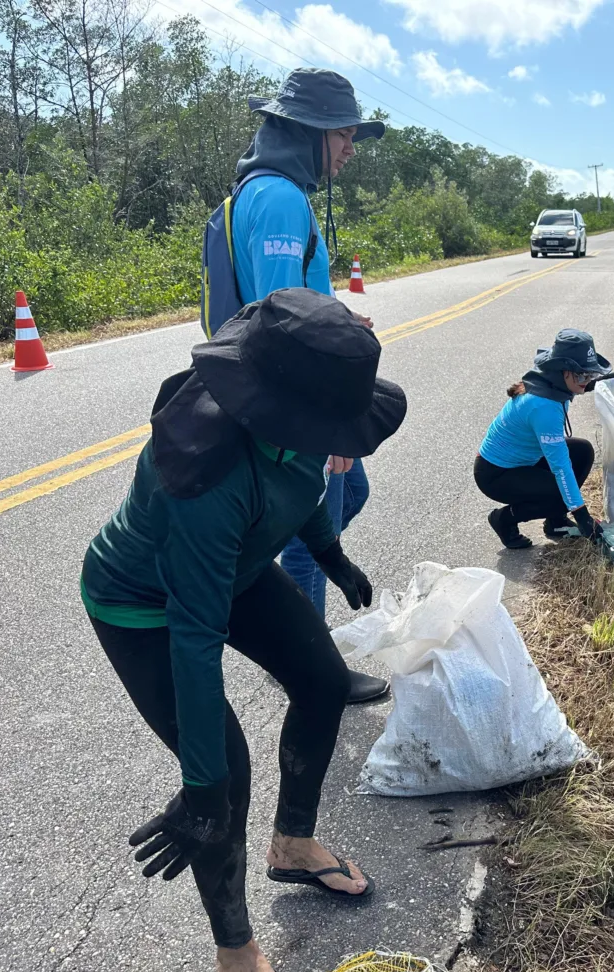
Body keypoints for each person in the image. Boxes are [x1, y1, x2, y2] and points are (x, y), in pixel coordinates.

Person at [80, 289, 406, 972]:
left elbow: (296, 487)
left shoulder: (294, 415)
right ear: (283, 409)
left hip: (238, 566)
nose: (342, 440)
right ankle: (235, 956)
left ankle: (292, 845)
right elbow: (194, 642)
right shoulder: (207, 480)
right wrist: (202, 791)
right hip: (146, 603)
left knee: (322, 681)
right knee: (224, 771)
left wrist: (330, 553)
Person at [230, 66, 387, 703]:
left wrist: (340, 316)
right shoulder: (279, 199)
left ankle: (293, 639)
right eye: (343, 134)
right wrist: (325, 425)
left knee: (342, 501)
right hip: (293, 402)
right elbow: (280, 322)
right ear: (309, 132)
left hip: (290, 393)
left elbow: (292, 303)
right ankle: (310, 666)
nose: (350, 147)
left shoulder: (272, 190)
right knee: (309, 526)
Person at [475, 330, 614, 549]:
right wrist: (583, 517)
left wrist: (591, 383)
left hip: (525, 460)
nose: (585, 381)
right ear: (562, 370)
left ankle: (556, 521)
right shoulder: (543, 406)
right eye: (581, 375)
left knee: (582, 451)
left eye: (590, 374)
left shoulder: (550, 382)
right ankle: (504, 518)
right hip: (496, 474)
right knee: (562, 491)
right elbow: (560, 466)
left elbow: (575, 385)